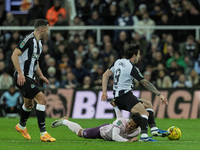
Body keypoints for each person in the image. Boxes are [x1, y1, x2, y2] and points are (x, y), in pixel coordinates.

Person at [101, 43, 169, 142]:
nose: (139, 56)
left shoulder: (118, 62)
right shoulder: (131, 68)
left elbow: (105, 75)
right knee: (144, 113)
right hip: (125, 96)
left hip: (119, 96)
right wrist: (159, 94)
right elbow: (145, 83)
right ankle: (144, 136)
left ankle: (154, 129)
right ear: (134, 55)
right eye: (138, 54)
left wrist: (104, 92)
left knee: (148, 104)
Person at [11, 19, 56, 142]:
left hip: (30, 77)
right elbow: (14, 55)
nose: (47, 31)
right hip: (23, 77)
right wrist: (20, 73)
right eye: (47, 28)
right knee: (42, 99)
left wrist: (41, 76)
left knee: (29, 104)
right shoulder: (28, 40)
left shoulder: (39, 44)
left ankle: (21, 126)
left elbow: (35, 62)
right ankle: (44, 133)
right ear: (42, 29)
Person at [51, 100, 142, 142]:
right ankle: (65, 121)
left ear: (137, 127)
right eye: (129, 123)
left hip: (108, 137)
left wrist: (115, 107)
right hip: (102, 132)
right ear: (129, 120)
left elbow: (119, 116)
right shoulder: (121, 122)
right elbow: (115, 137)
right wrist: (128, 141)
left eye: (132, 126)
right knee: (81, 133)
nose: (129, 126)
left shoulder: (137, 131)